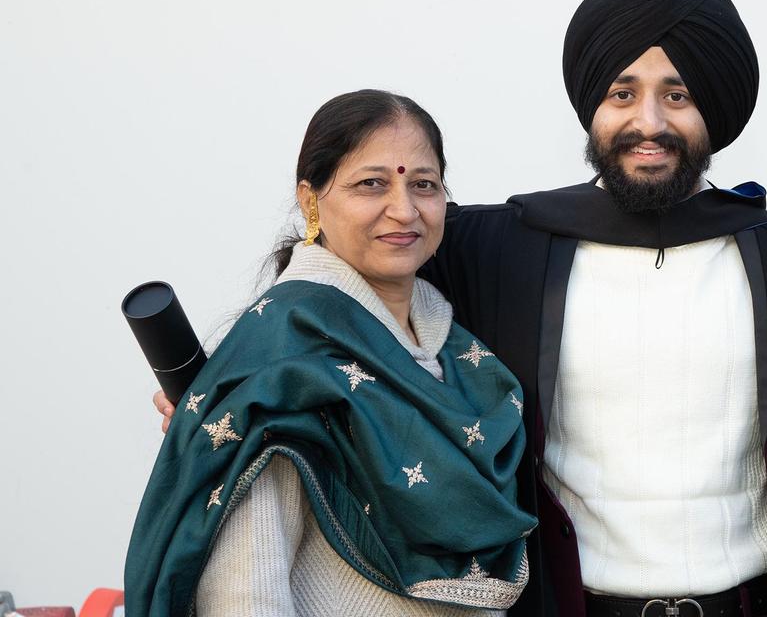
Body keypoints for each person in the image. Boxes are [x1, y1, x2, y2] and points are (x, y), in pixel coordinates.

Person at [421, 0, 767, 616]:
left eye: (679, 95)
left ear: (713, 110)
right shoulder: (499, 250)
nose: (649, 121)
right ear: (593, 107)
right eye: (623, 93)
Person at [129, 89, 536, 616]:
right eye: (372, 184)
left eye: (424, 184)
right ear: (310, 200)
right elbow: (244, 598)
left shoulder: (460, 355)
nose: (404, 209)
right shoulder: (281, 369)